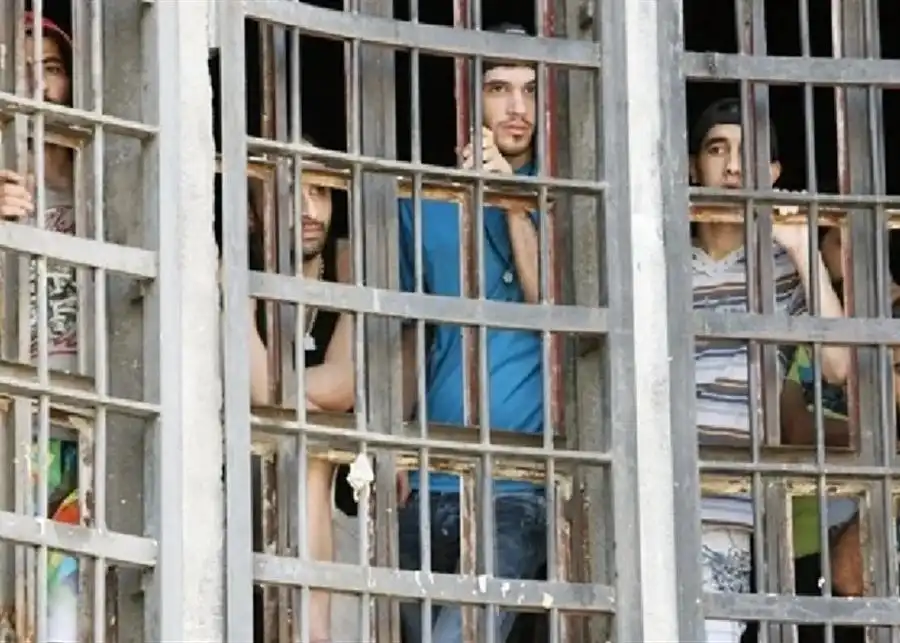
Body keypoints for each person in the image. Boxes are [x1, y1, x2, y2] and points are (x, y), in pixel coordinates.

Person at [394, 22, 546, 643]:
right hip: (428, 472)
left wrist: (510, 199)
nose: (517, 107)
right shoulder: (422, 201)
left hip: (521, 480)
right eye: (498, 88)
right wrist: (391, 441)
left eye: (530, 90)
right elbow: (407, 333)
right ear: (468, 97)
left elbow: (553, 307)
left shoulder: (568, 195)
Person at [688, 97, 850, 643]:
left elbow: (839, 364)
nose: (734, 167)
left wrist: (802, 247)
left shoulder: (781, 269)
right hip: (647, 485)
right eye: (718, 150)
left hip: (727, 504)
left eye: (749, 153)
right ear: (693, 166)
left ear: (773, 173)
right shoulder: (656, 256)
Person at [214, 158, 355, 642]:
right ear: (253, 215)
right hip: (237, 483)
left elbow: (345, 383)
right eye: (293, 192)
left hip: (327, 505)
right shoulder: (240, 281)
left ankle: (309, 629)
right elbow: (261, 392)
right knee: (305, 437)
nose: (311, 208)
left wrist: (283, 398)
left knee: (311, 444)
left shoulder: (345, 278)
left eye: (321, 191)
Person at [0, 12, 82, 641]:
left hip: (88, 419)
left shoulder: (108, 180)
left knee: (67, 606)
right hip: (14, 416)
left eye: (51, 68)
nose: (38, 84)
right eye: (23, 70)